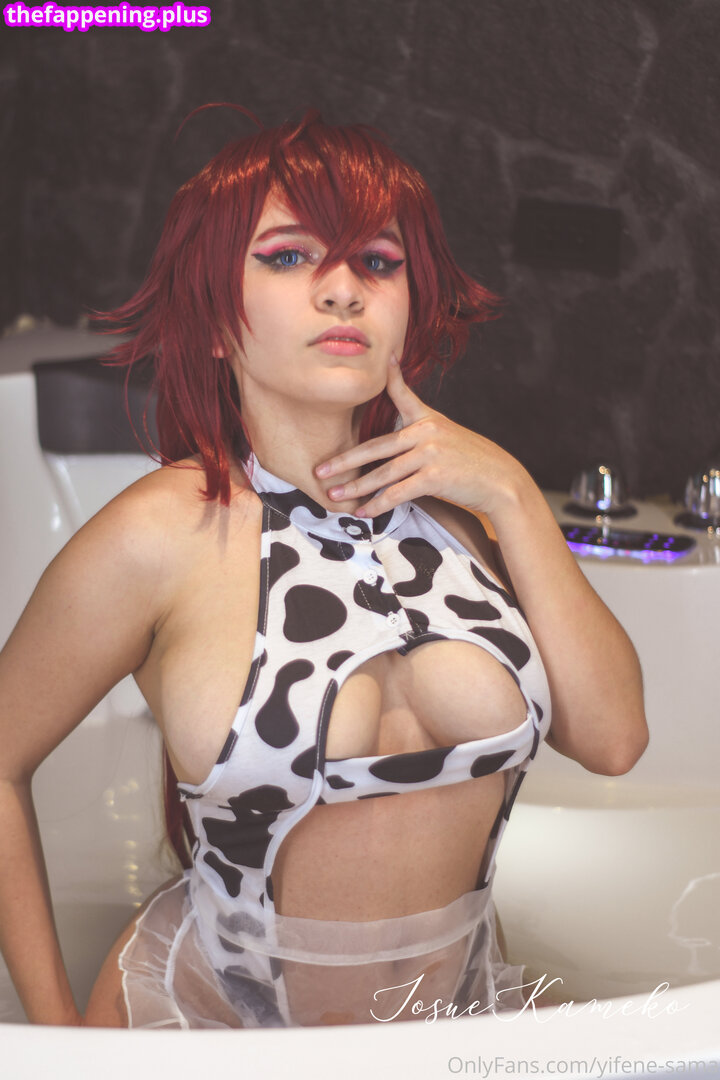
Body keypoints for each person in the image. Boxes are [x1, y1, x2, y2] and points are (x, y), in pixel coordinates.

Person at [0, 107, 648, 1029]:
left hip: (453, 1026)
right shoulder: (159, 537)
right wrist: (54, 1046)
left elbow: (616, 743)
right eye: (289, 256)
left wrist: (512, 492)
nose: (343, 291)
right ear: (214, 320)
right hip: (205, 1030)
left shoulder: (466, 521)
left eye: (377, 263)